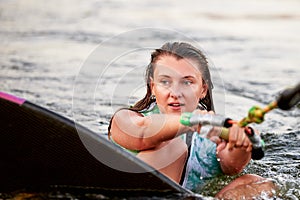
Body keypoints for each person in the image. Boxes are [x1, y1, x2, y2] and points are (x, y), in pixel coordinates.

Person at [108, 42, 276, 199]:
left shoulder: (212, 135)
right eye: (165, 82)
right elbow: (142, 134)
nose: (175, 92)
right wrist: (191, 121)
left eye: (187, 82)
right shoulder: (127, 119)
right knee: (174, 148)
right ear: (153, 87)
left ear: (203, 89)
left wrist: (240, 144)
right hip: (131, 193)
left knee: (258, 183)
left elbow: (232, 167)